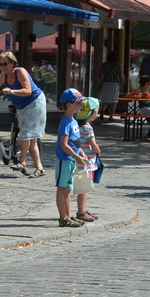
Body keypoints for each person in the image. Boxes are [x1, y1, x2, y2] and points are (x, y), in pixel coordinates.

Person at [0, 51, 46, 175]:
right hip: (21, 106)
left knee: (25, 134)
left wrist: (12, 91)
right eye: (0, 64)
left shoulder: (20, 72)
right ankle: (40, 168)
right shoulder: (3, 76)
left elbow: (28, 90)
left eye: (5, 64)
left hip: (34, 103)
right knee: (31, 138)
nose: (2, 67)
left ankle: (22, 162)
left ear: (13, 63)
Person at [53, 88, 90, 227]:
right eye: (78, 103)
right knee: (62, 188)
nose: (81, 105)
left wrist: (80, 152)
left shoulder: (73, 121)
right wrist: (76, 155)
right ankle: (63, 218)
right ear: (69, 104)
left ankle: (68, 216)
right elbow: (63, 145)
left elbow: (74, 142)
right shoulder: (65, 122)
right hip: (65, 159)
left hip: (72, 159)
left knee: (68, 189)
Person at [77, 97, 102, 221]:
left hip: (81, 160)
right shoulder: (87, 127)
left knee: (84, 187)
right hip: (87, 162)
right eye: (97, 110)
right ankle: (81, 211)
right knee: (84, 188)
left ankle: (84, 209)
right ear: (92, 113)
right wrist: (98, 151)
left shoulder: (78, 125)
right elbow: (93, 144)